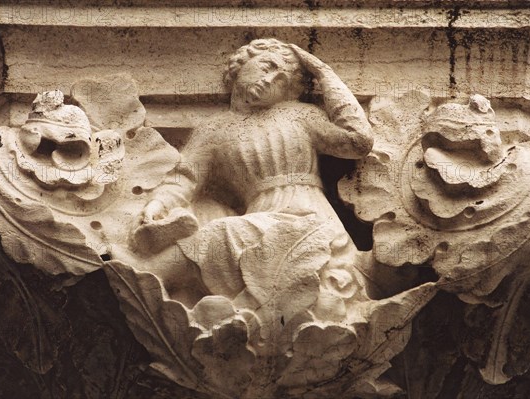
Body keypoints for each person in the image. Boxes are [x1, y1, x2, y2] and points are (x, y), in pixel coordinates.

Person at [132, 39, 374, 297]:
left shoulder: (299, 115)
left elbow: (357, 141)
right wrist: (157, 204)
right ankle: (150, 285)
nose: (270, 79)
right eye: (266, 66)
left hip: (305, 217)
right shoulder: (215, 129)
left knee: (221, 233)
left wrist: (324, 74)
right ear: (241, 64)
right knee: (204, 219)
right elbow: (185, 178)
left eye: (281, 79)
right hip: (258, 216)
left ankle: (147, 281)